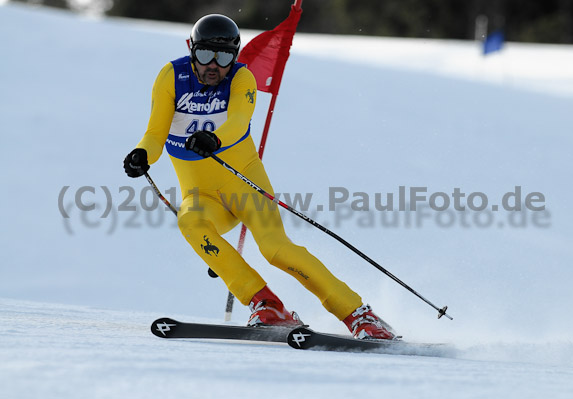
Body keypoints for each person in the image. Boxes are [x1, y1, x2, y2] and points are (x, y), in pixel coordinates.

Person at [123, 14, 395, 340]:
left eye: (224, 57)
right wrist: (142, 154)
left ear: (234, 56)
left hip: (246, 190)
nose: (214, 65)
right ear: (191, 50)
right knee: (189, 221)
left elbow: (238, 120)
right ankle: (266, 304)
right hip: (204, 197)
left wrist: (215, 139)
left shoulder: (241, 79)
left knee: (275, 251)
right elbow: (155, 132)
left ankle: (359, 314)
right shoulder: (171, 77)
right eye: (205, 54)